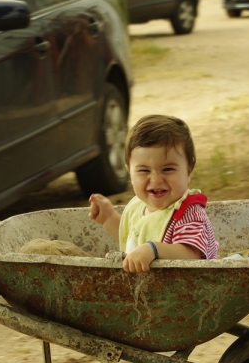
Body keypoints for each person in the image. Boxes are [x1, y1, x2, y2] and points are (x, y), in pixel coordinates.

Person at [89, 115, 218, 272]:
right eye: (144, 170)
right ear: (130, 172)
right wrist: (109, 218)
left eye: (168, 169)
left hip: (191, 290)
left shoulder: (187, 213)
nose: (156, 180)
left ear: (189, 171)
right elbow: (133, 242)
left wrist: (154, 250)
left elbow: (191, 254)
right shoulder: (138, 206)